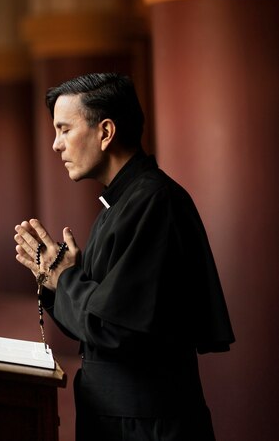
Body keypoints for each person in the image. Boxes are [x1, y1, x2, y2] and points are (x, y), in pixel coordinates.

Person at [14, 72, 234, 441]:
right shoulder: (122, 204)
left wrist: (67, 278)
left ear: (105, 132)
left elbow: (114, 328)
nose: (56, 145)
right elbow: (100, 319)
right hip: (123, 418)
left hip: (148, 425)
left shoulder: (154, 202)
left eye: (65, 129)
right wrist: (57, 280)